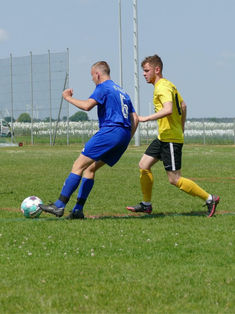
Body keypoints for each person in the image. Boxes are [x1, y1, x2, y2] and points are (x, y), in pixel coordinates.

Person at [40, 61, 138, 219]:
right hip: (124, 135)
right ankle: (78, 210)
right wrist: (125, 140)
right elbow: (135, 119)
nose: (92, 79)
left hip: (110, 131)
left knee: (78, 165)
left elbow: (87, 106)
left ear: (98, 74)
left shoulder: (103, 87)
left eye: (92, 76)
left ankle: (59, 205)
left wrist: (67, 98)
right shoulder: (122, 92)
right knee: (90, 168)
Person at [127, 54, 220, 217]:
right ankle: (146, 204)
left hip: (170, 138)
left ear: (157, 69)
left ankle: (210, 198)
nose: (144, 74)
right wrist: (181, 126)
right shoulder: (169, 84)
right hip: (164, 136)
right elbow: (183, 106)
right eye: (143, 71)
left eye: (147, 70)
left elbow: (169, 109)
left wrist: (145, 118)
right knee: (143, 165)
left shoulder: (162, 87)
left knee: (175, 179)